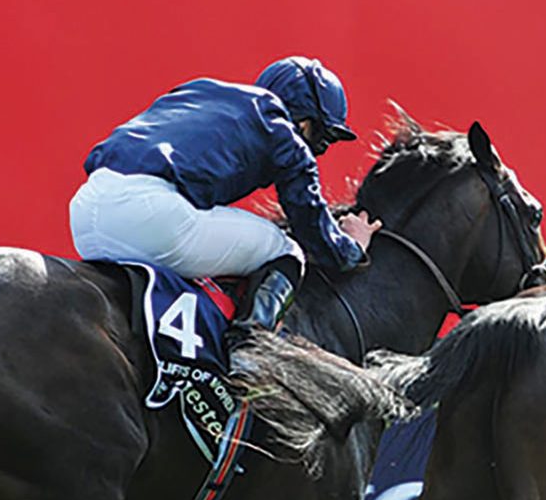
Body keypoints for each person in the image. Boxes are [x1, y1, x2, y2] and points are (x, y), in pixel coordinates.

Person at [70, 56, 379, 338]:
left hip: (86, 212)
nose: (319, 150)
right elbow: (310, 226)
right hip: (153, 215)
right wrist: (352, 247)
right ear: (305, 122)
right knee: (286, 251)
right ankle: (253, 351)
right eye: (323, 138)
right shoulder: (281, 130)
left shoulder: (197, 90)